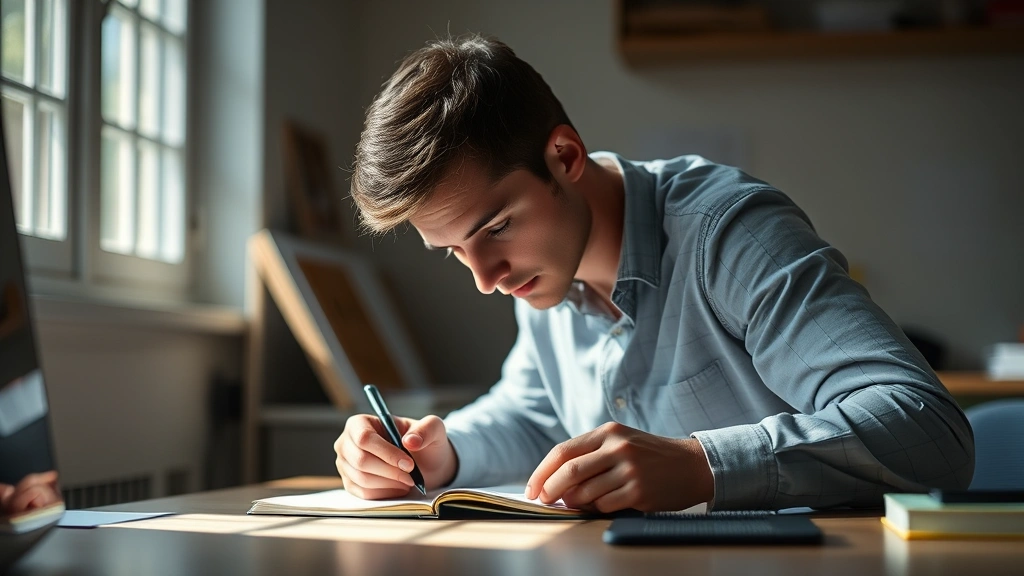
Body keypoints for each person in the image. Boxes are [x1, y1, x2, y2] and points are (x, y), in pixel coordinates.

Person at [333, 34, 974, 513]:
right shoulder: (539, 267)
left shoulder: (728, 232)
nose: (484, 276)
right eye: (452, 250)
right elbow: (534, 417)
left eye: (494, 228)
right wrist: (436, 454)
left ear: (563, 157)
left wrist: (703, 465)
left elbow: (929, 431)